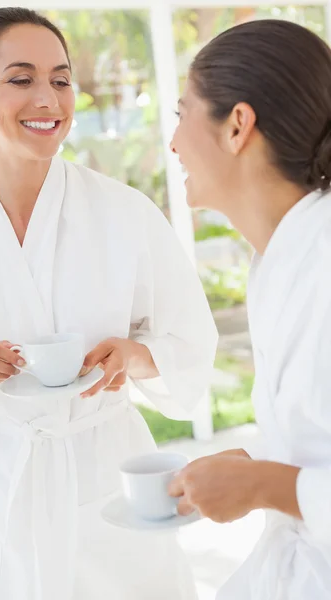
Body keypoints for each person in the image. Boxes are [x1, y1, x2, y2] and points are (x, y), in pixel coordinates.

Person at [0, 7, 218, 600]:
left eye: (61, 80)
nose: (49, 99)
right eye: (20, 78)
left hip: (105, 479)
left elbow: (191, 343)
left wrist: (134, 357)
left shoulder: (126, 213)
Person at [168, 18, 331, 600]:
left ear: (237, 125)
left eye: (181, 113)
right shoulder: (279, 258)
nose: (173, 143)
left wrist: (266, 483)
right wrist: (257, 458)